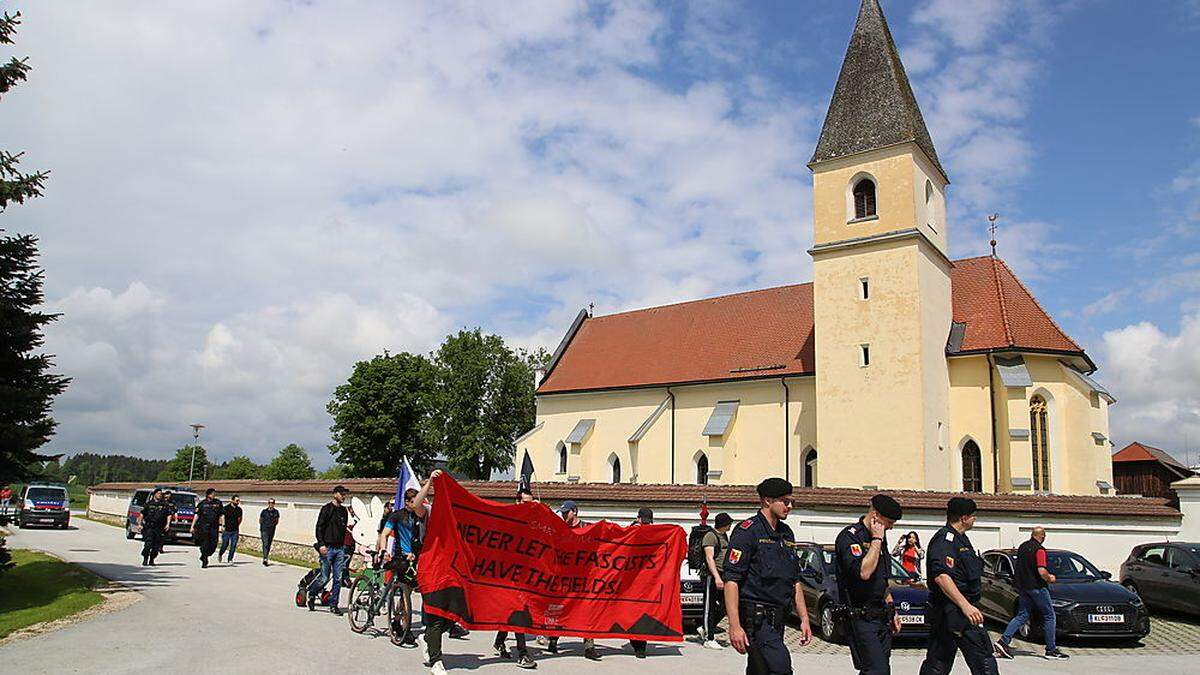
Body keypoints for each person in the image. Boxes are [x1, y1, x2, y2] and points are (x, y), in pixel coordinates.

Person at [724, 477, 812, 675]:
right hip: (757, 619)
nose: (789, 506)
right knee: (781, 669)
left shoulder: (786, 534)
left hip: (778, 619)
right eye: (785, 501)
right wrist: (734, 625)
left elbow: (794, 580)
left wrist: (804, 619)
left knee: (760, 670)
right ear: (767, 501)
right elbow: (732, 581)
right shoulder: (747, 532)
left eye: (791, 502)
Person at [918, 497, 999, 675]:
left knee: (983, 659)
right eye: (972, 516)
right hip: (952, 611)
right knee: (940, 662)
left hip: (963, 610)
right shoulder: (944, 541)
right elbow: (941, 577)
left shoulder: (962, 540)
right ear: (963, 518)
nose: (974, 519)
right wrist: (965, 606)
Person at [835, 494, 904, 675]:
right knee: (876, 670)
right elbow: (864, 573)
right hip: (860, 616)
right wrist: (876, 541)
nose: (891, 526)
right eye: (889, 521)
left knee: (880, 669)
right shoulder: (850, 537)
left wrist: (892, 609)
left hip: (881, 616)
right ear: (875, 515)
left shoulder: (880, 538)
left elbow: (881, 581)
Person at [994, 526, 1067, 660]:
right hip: (1037, 587)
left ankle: (1003, 642)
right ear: (1042, 536)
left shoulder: (1022, 547)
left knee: (1022, 615)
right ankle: (1051, 649)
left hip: (1023, 587)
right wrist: (1050, 578)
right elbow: (1041, 571)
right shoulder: (1039, 550)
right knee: (1049, 616)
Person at [379, 481, 437, 649]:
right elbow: (384, 534)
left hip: (417, 558)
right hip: (400, 558)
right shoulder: (397, 516)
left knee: (413, 591)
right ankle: (402, 625)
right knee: (406, 590)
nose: (416, 503)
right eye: (412, 500)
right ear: (406, 501)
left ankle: (402, 621)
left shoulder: (421, 516)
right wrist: (383, 550)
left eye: (417, 500)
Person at [544, 500, 600, 661]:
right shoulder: (559, 529)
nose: (563, 515)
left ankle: (589, 647)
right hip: (563, 578)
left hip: (583, 579)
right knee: (561, 609)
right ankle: (553, 639)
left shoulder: (588, 528)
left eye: (566, 512)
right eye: (561, 513)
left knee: (587, 611)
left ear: (575, 511)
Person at [493, 486, 538, 669]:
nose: (529, 506)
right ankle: (523, 653)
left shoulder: (533, 522)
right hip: (508, 575)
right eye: (526, 503)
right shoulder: (508, 520)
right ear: (518, 501)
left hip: (526, 574)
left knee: (512, 612)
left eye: (531, 503)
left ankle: (499, 641)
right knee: (519, 610)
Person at [308, 485, 350, 616]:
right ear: (335, 494)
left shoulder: (344, 511)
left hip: (339, 549)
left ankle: (334, 604)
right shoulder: (326, 509)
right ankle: (312, 593)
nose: (344, 496)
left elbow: (344, 530)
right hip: (327, 548)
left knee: (338, 578)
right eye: (342, 494)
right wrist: (321, 544)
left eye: (345, 494)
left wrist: (344, 547)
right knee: (325, 577)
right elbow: (319, 527)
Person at [700, 512, 732, 650]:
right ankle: (709, 638)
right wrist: (717, 577)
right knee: (710, 607)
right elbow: (709, 558)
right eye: (729, 523)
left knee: (726, 605)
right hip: (711, 575)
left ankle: (705, 627)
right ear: (724, 524)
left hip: (723, 574)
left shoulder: (724, 536)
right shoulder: (710, 536)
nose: (731, 525)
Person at [627, 506, 655, 659]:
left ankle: (640, 645)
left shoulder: (652, 532)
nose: (646, 525)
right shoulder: (631, 531)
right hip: (631, 581)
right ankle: (637, 643)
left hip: (646, 580)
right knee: (634, 612)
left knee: (643, 612)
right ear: (638, 519)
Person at [190, 488, 222, 568]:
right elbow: (196, 515)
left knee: (214, 544)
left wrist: (223, 525)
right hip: (203, 527)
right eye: (212, 493)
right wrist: (192, 526)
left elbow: (222, 515)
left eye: (214, 493)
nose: (214, 495)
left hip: (214, 527)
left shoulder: (218, 503)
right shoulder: (202, 504)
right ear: (208, 495)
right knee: (205, 544)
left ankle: (205, 555)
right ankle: (204, 559)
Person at [138, 488, 170, 566]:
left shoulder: (164, 505)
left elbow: (168, 515)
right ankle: (145, 558)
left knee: (156, 546)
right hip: (149, 527)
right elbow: (142, 514)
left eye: (161, 494)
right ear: (154, 494)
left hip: (159, 527)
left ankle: (152, 559)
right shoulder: (148, 504)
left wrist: (168, 524)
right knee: (148, 544)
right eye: (158, 493)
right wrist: (139, 524)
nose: (160, 495)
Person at [219, 494, 243, 563]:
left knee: (233, 545)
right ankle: (220, 554)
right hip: (227, 529)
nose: (238, 502)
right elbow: (222, 517)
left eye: (238, 501)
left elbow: (240, 519)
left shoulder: (239, 510)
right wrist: (223, 526)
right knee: (225, 544)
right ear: (232, 500)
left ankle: (230, 559)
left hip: (235, 530)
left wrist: (237, 525)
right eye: (236, 501)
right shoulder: (226, 508)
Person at [260, 498, 280, 566]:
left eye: (272, 503)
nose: (271, 504)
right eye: (270, 503)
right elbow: (260, 520)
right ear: (268, 503)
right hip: (264, 530)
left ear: (274, 504)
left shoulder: (276, 512)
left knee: (268, 544)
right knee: (265, 543)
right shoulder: (264, 511)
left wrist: (272, 525)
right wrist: (264, 526)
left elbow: (277, 521)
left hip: (271, 530)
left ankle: (265, 557)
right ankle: (265, 559)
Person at [158, 489, 177, 556]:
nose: (168, 496)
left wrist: (175, 518)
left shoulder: (172, 502)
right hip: (160, 520)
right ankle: (156, 546)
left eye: (169, 495)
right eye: (167, 495)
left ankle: (161, 547)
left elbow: (175, 511)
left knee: (164, 535)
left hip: (168, 520)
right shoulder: (160, 501)